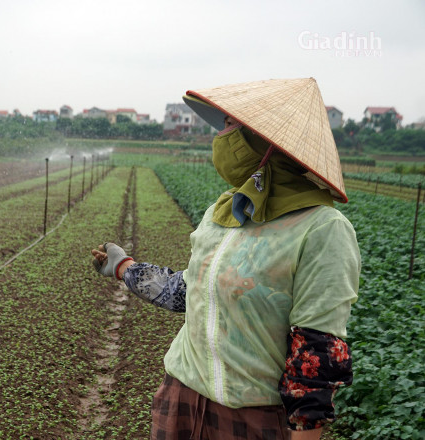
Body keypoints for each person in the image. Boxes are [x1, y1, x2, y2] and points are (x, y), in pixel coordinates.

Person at [91, 78, 361, 440]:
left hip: (252, 418)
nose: (221, 135)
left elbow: (316, 355)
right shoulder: (224, 212)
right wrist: (124, 267)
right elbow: (188, 291)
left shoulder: (321, 228)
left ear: (264, 142)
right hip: (181, 397)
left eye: (231, 126)